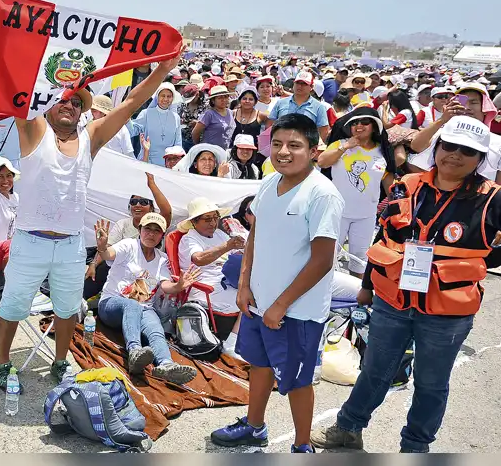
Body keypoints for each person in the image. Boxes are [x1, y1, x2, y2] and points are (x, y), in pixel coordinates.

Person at [0, 55, 180, 389]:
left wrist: (162, 70)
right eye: (63, 100)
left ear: (82, 112)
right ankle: (2, 362)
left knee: (67, 309)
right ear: (48, 105)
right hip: (30, 240)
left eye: (77, 103)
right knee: (12, 306)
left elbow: (131, 103)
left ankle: (60, 362)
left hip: (70, 244)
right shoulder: (34, 130)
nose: (70, 105)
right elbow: (15, 89)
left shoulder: (90, 138)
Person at [312, 116, 497, 453]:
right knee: (374, 371)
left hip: (447, 313)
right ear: (437, 148)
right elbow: (384, 237)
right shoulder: (408, 184)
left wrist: (485, 257)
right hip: (392, 301)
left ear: (480, 159)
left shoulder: (491, 199)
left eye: (467, 151)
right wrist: (367, 286)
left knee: (431, 383)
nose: (455, 155)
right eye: (449, 146)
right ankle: (347, 429)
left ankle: (415, 447)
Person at [211, 113, 344, 454]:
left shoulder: (322, 194)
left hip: (296, 311)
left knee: (297, 380)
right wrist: (244, 284)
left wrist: (281, 305)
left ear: (313, 151)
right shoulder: (270, 182)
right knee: (259, 365)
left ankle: (302, 445)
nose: (284, 152)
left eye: (294, 145)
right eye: (278, 144)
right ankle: (254, 426)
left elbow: (322, 260)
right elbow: (255, 234)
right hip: (259, 302)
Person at [93, 213, 198, 383]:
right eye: (147, 229)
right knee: (132, 305)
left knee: (155, 328)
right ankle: (134, 351)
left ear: (162, 235)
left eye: (156, 231)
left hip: (144, 307)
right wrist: (103, 247)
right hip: (111, 304)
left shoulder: (162, 259)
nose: (151, 234)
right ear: (140, 230)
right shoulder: (129, 245)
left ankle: (166, 365)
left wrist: (178, 286)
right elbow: (108, 254)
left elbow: (165, 285)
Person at [317, 108, 396, 276]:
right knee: (327, 259)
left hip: (366, 216)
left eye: (364, 122)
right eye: (355, 123)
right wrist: (345, 147)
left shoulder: (382, 151)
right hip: (337, 212)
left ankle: (357, 292)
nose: (359, 126)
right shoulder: (340, 144)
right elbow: (322, 162)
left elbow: (389, 185)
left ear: (374, 127)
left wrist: (398, 207)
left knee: (359, 260)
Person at [177, 197, 246, 347]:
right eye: (207, 219)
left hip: (227, 282)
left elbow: (239, 252)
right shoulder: (189, 239)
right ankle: (231, 344)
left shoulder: (220, 234)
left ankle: (238, 342)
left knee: (259, 293)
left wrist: (242, 239)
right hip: (204, 288)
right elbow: (199, 259)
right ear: (194, 222)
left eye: (215, 218)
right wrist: (227, 246)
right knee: (250, 300)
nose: (213, 223)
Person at [267, 71, 331, 143]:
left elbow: (323, 133)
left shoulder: (319, 107)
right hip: (283, 145)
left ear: (311, 87)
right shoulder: (280, 103)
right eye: (297, 83)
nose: (300, 86)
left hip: (306, 147)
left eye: (304, 84)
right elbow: (270, 126)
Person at [133, 83, 183, 165]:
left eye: (169, 96)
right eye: (163, 95)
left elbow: (178, 144)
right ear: (157, 97)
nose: (165, 99)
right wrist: (126, 117)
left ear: (172, 98)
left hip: (168, 164)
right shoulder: (146, 113)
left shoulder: (176, 117)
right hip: (147, 160)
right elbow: (133, 130)